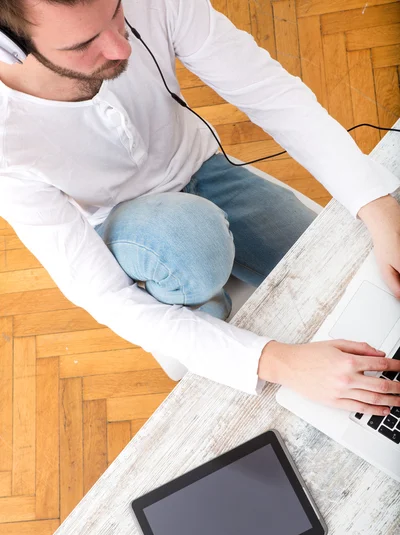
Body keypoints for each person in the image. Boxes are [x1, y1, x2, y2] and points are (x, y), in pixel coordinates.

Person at [0, 0, 400, 415]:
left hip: (204, 166)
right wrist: (281, 362)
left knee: (358, 280)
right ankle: (199, 313)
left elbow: (271, 93)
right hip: (132, 224)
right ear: (8, 46)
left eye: (117, 13)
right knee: (188, 237)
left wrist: (379, 207)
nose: (121, 48)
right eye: (83, 44)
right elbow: (104, 295)